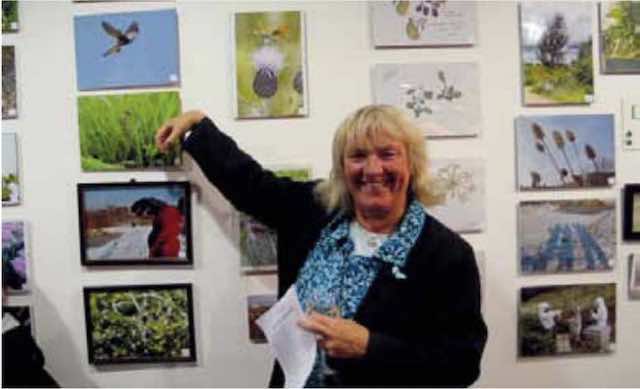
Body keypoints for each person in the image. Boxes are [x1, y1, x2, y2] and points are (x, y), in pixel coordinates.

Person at [155, 104, 487, 387]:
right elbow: (251, 184)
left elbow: (461, 364)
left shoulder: (447, 254)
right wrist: (198, 127)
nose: (373, 169)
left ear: (412, 164)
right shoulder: (314, 211)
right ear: (343, 167)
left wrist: (369, 346)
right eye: (358, 156)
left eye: (388, 154)